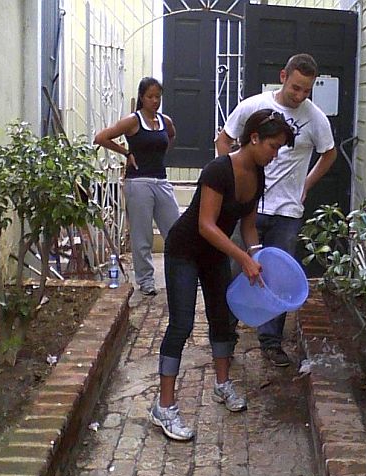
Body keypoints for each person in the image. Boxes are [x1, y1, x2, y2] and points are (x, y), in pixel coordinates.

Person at [149, 109, 295, 441]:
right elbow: (205, 224)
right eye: (273, 147)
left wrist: (259, 259)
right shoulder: (218, 169)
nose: (275, 155)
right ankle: (164, 408)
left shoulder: (258, 174)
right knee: (182, 324)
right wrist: (242, 258)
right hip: (185, 250)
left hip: (216, 253)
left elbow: (247, 226)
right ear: (254, 138)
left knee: (221, 318)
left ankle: (222, 384)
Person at [215, 53, 337, 367]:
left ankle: (270, 342)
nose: (299, 95)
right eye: (295, 87)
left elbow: (329, 153)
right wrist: (233, 181)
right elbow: (224, 140)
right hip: (249, 206)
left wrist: (307, 184)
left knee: (277, 279)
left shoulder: (315, 119)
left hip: (287, 211)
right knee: (235, 269)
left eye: (306, 90)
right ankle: (225, 334)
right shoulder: (253, 106)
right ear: (283, 76)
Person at [94, 77, 180, 296]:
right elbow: (101, 137)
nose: (154, 101)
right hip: (138, 182)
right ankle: (146, 280)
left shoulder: (165, 121)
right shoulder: (133, 121)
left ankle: (179, 276)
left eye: (158, 97)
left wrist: (159, 154)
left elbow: (171, 136)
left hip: (161, 181)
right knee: (142, 236)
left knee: (176, 232)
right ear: (142, 97)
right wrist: (126, 153)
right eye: (150, 97)